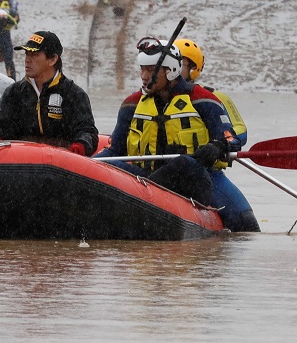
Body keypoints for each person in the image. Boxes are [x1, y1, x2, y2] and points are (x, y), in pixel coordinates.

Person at [96, 37, 248, 228]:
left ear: (171, 71)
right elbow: (114, 151)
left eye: (151, 70)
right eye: (142, 69)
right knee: (113, 166)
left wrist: (217, 146)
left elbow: (231, 138)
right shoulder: (131, 104)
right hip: (144, 175)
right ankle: (146, 196)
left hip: (198, 175)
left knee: (245, 220)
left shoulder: (203, 99)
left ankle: (146, 196)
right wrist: (89, 164)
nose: (144, 76)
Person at [174, 38, 260, 232]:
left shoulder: (214, 98)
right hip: (169, 169)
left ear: (194, 68)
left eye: (181, 64)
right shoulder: (151, 100)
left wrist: (219, 145)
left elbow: (240, 132)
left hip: (208, 172)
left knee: (245, 220)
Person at [0, 30, 98, 156]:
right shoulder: (14, 92)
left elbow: (87, 132)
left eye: (34, 54)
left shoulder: (74, 94)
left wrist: (79, 147)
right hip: (19, 162)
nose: (27, 60)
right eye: (26, 54)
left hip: (61, 165)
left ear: (52, 59)